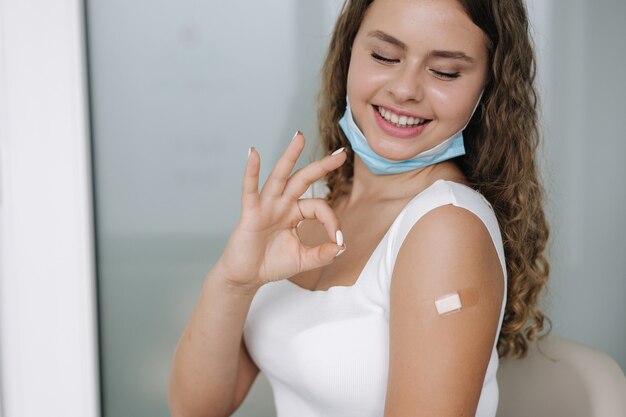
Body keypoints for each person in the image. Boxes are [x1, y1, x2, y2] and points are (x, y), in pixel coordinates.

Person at [168, 0, 551, 416]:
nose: (405, 89)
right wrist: (233, 281)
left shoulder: (446, 228)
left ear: (487, 88)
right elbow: (197, 408)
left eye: (444, 71)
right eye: (384, 56)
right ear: (348, 54)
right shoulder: (319, 204)